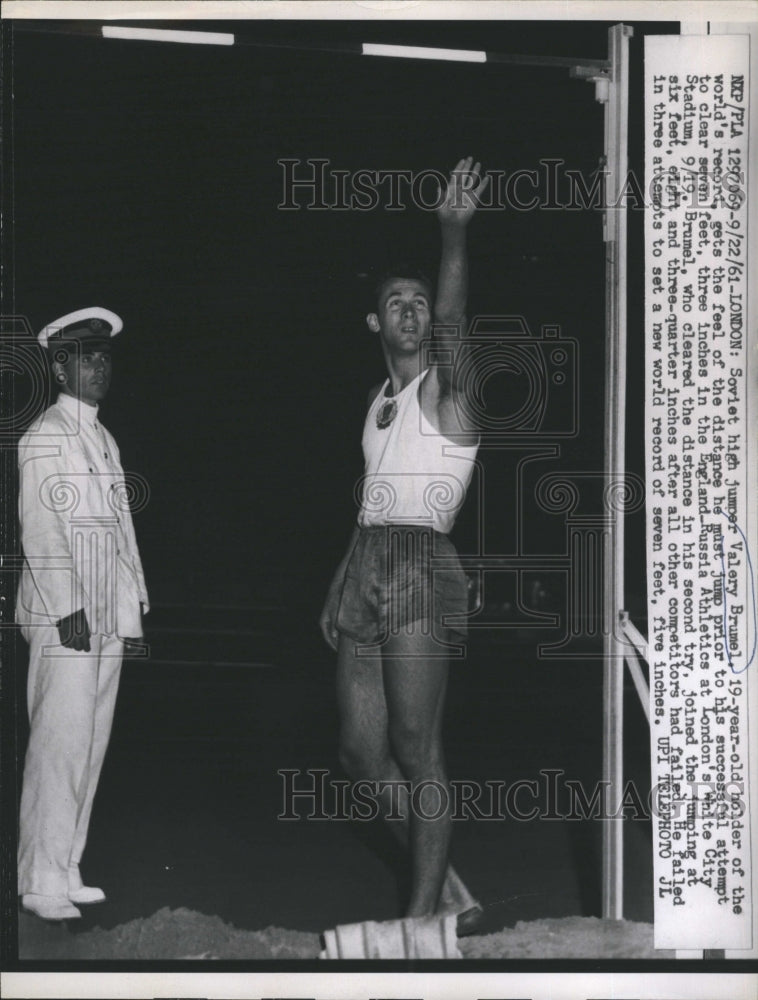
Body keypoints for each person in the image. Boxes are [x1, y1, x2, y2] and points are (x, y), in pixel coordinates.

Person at [320, 158, 489, 920]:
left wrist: (452, 238)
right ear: (374, 323)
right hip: (368, 562)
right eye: (397, 303)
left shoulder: (449, 390)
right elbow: (372, 490)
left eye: (419, 301)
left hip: (424, 562)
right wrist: (341, 577)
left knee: (420, 748)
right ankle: (447, 887)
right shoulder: (376, 398)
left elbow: (455, 326)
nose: (413, 312)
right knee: (361, 756)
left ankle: (423, 921)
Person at [16, 307, 148, 921]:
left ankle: (68, 867)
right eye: (84, 358)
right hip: (65, 613)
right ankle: (39, 880)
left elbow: (120, 528)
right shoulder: (44, 436)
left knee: (90, 743)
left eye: (103, 357)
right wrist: (69, 608)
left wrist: (135, 597)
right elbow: (41, 533)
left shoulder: (103, 436)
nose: (98, 366)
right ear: (58, 366)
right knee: (59, 745)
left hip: (108, 610)